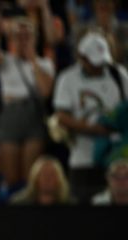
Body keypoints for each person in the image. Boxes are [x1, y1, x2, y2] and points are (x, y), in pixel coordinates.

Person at [53, 31, 128, 202]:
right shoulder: (68, 78)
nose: (99, 66)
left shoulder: (119, 75)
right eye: (94, 62)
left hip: (116, 158)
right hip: (82, 156)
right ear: (81, 57)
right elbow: (61, 116)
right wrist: (92, 129)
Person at [0, 18, 55, 197]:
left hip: (33, 114)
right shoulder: (5, 61)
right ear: (11, 39)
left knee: (30, 176)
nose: (23, 40)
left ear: (35, 38)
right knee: (11, 176)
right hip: (11, 114)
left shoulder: (45, 64)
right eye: (18, 36)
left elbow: (45, 91)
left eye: (27, 36)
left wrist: (32, 60)